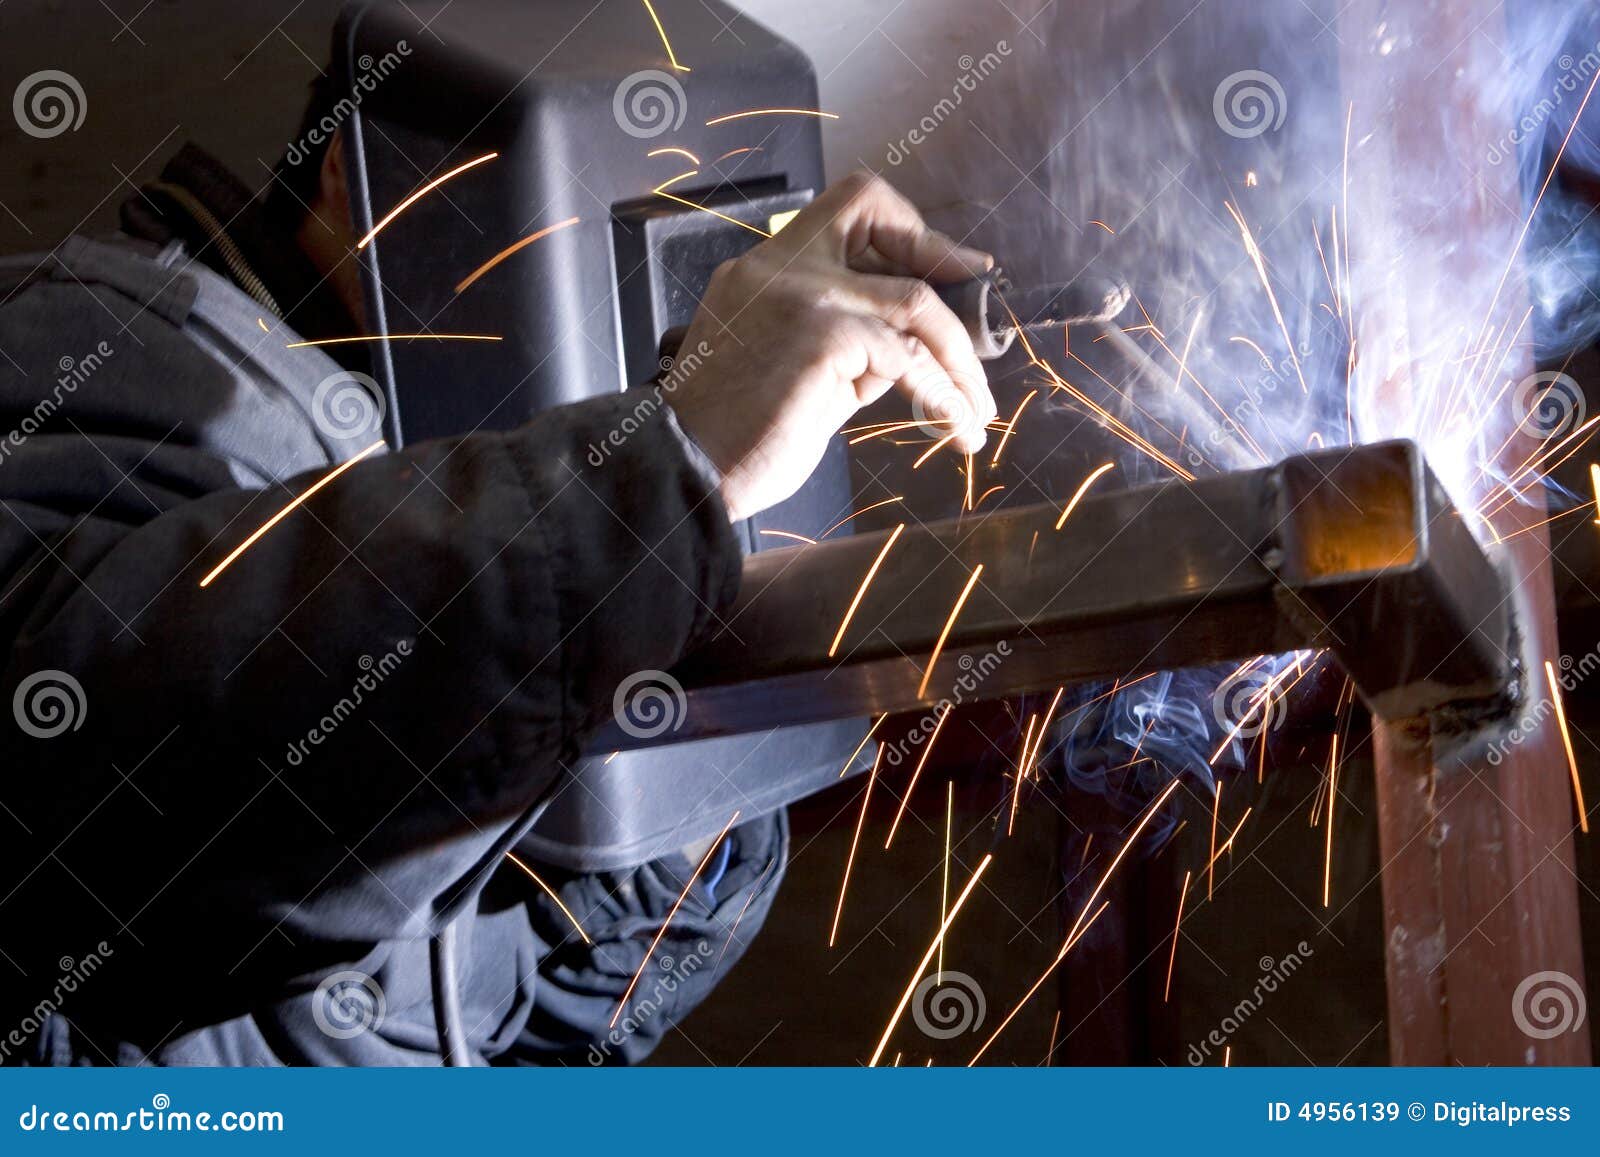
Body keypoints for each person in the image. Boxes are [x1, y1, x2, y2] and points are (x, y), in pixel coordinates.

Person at [0, 90, 995, 1065]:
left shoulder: (479, 480)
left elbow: (489, 1014)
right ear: (364, 165)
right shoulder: (99, 345)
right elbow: (95, 823)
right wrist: (662, 463)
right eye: (569, 178)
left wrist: (680, 815)